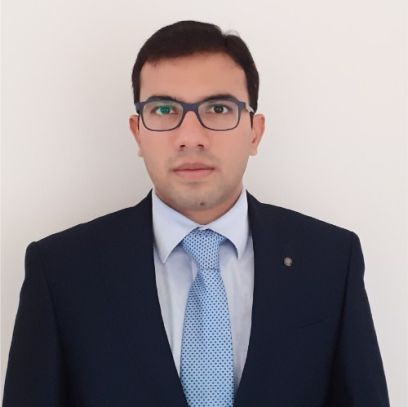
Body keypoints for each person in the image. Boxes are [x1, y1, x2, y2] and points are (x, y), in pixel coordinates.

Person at [3, 20, 390, 407]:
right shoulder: (62, 270)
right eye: (164, 109)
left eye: (218, 109)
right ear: (138, 133)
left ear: (254, 132)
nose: (190, 137)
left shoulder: (330, 260)